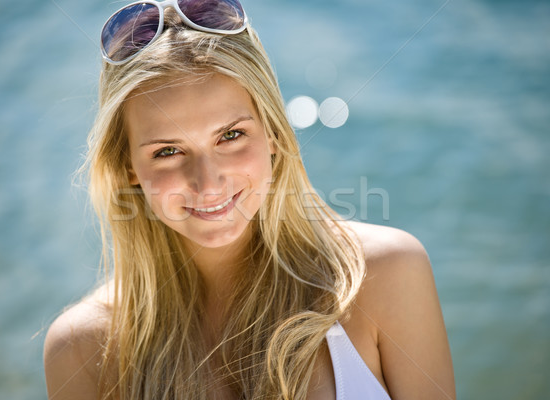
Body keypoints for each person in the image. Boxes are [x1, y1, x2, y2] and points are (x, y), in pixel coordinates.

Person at [43, 1, 456, 399]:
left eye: (230, 135)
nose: (207, 184)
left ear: (272, 132)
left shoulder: (383, 274)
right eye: (167, 151)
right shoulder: (82, 351)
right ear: (128, 166)